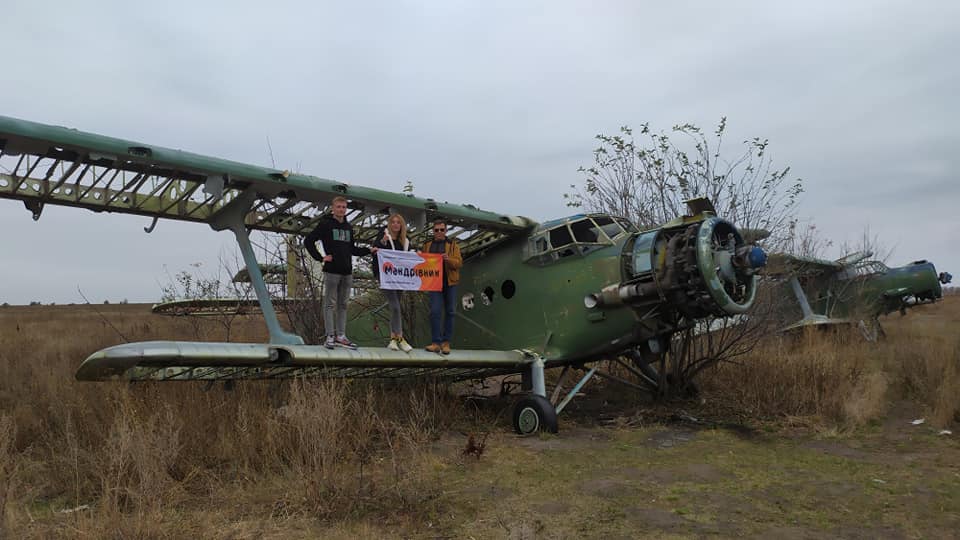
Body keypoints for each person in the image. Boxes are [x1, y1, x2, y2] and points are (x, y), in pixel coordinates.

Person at [304, 196, 377, 350]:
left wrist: (369, 250)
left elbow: (352, 249)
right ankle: (330, 336)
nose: (341, 209)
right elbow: (308, 241)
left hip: (347, 271)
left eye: (344, 207)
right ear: (333, 208)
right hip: (331, 271)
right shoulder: (325, 224)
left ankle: (341, 336)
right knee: (330, 303)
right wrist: (321, 257)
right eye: (338, 207)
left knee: (343, 305)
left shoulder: (348, 228)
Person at [371, 213, 414, 352]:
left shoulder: (405, 241)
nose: (395, 224)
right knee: (395, 306)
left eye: (398, 222)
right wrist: (382, 242)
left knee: (396, 308)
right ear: (390, 224)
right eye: (393, 222)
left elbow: (409, 257)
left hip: (400, 278)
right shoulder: (383, 234)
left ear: (401, 225)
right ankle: (400, 338)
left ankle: (393, 340)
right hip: (385, 275)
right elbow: (374, 249)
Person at [423, 218, 462, 355]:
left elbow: (458, 263)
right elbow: (423, 261)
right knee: (435, 312)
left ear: (446, 231)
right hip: (434, 283)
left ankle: (446, 343)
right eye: (436, 230)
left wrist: (448, 259)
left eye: (442, 230)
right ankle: (436, 342)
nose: (439, 232)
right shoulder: (427, 245)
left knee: (450, 312)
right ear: (433, 231)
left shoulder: (453, 245)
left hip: (450, 282)